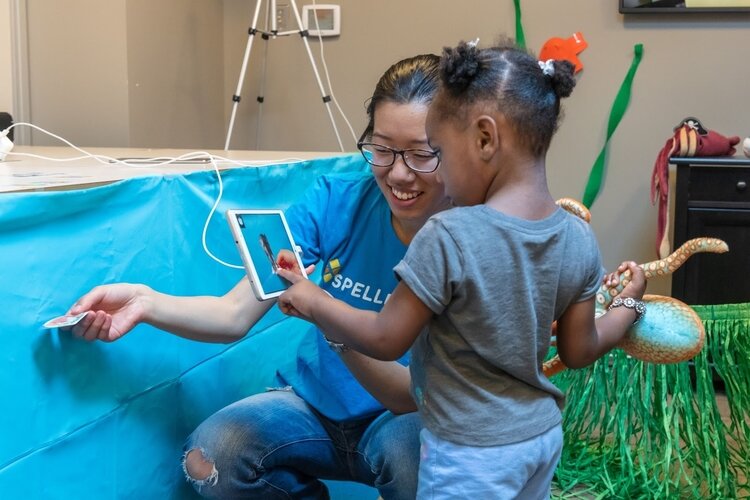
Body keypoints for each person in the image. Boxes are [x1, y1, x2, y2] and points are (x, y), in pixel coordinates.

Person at [66, 54, 450, 499]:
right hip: (314, 405)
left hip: (403, 415)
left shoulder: (468, 239)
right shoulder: (335, 200)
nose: (398, 172)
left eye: (422, 155)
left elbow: (409, 397)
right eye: (381, 149)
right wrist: (145, 301)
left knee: (417, 457)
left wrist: (328, 317)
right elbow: (234, 313)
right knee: (212, 455)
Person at [277, 39, 648, 499]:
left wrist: (315, 301)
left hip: (469, 452)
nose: (440, 177)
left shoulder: (449, 235)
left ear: (485, 139)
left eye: (439, 153)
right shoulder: (577, 236)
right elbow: (579, 349)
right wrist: (631, 303)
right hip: (541, 438)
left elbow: (386, 338)